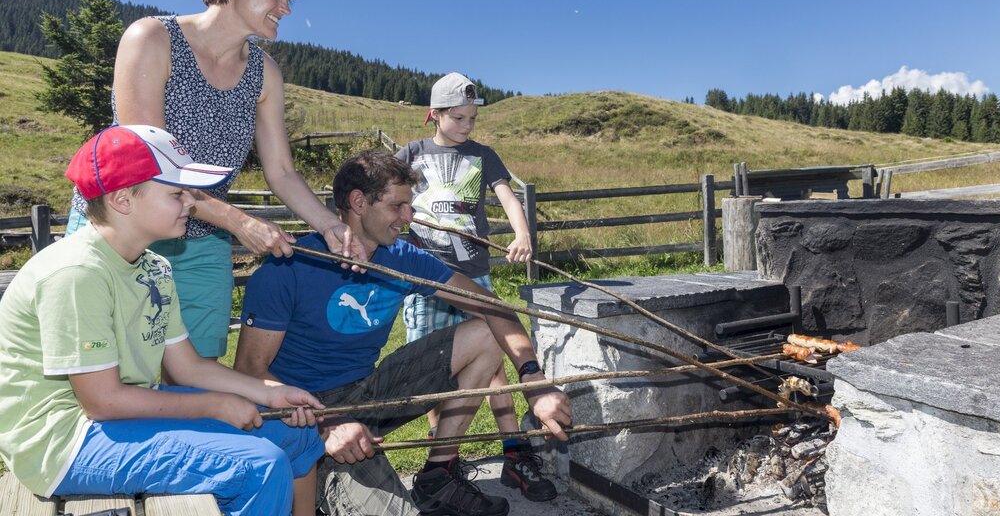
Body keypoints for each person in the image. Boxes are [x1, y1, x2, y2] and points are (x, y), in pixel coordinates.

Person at [0, 125, 327, 516]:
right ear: (123, 200)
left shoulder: (154, 266)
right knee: (257, 466)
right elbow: (102, 401)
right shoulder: (76, 273)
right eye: (177, 193)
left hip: (116, 413)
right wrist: (215, 405)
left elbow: (186, 366)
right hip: (64, 441)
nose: (191, 202)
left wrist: (270, 394)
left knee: (300, 435)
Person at [234, 149, 572, 516]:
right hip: (303, 413)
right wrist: (326, 427)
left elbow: (492, 307)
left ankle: (438, 475)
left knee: (486, 332)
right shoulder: (290, 264)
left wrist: (534, 381)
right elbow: (249, 372)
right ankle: (316, 478)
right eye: (398, 206)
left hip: (369, 391)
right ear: (358, 202)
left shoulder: (401, 256)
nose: (408, 218)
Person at [63, 0, 358, 360]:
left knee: (197, 375)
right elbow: (151, 162)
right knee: (106, 368)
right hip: (122, 229)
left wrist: (330, 227)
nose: (285, 9)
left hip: (200, 241)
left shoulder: (265, 72)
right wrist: (239, 221)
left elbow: (283, 172)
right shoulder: (151, 38)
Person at [394, 72, 553, 502]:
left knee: (494, 362)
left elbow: (507, 196)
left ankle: (514, 453)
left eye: (472, 118)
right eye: (459, 118)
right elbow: (390, 199)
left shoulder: (483, 156)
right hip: (425, 276)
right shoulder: (411, 154)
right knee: (434, 367)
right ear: (435, 114)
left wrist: (521, 233)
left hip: (474, 272)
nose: (467, 126)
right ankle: (442, 457)